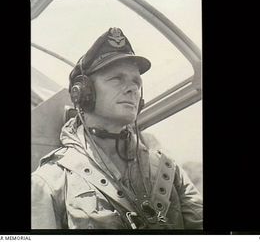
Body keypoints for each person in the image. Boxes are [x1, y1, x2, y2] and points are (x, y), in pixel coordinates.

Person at [31, 27, 203, 229]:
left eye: (136, 82)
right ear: (83, 92)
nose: (133, 89)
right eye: (117, 79)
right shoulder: (50, 181)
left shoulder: (168, 171)